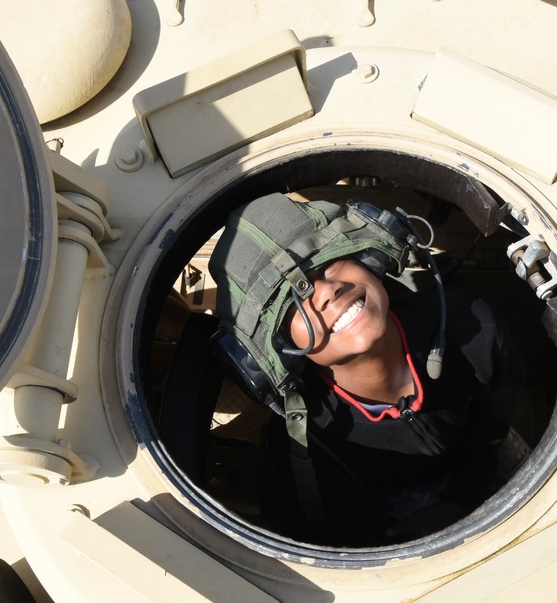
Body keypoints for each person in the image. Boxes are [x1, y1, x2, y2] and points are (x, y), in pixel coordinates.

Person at [208, 193, 528, 544]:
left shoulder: (474, 327)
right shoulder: (302, 447)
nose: (327, 291)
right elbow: (309, 533)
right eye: (293, 300)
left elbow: (495, 420)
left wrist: (462, 501)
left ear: (367, 256)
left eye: (328, 263)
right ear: (279, 348)